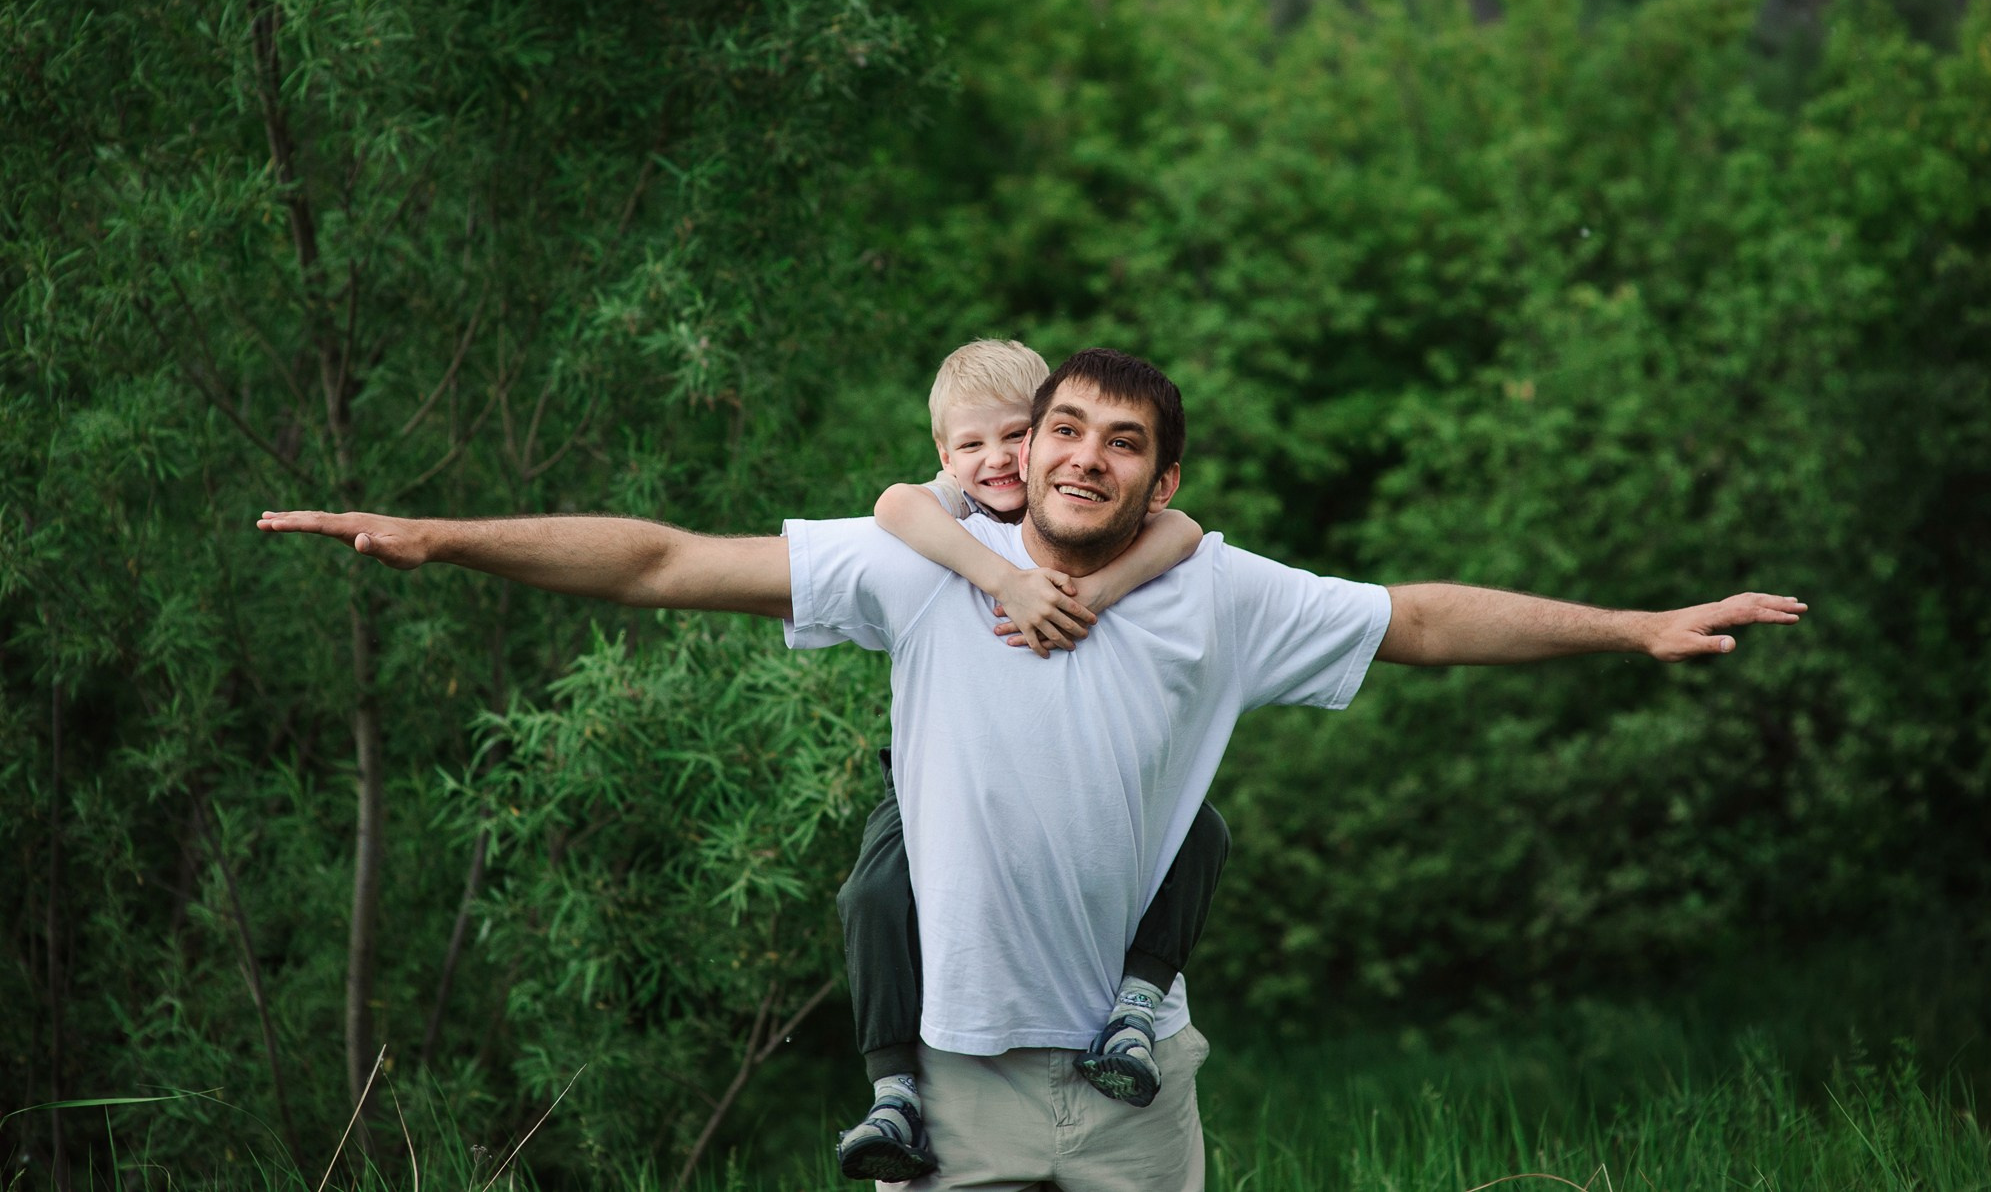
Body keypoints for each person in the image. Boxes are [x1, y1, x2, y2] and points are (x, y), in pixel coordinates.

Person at [257, 347, 1806, 1192]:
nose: (1080, 455)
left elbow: (1419, 618)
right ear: (1017, 446)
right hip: (956, 1094)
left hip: (1140, 1097)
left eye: (1121, 440)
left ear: (1162, 476)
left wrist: (1634, 624)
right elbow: (665, 557)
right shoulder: (925, 564)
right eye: (1063, 426)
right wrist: (439, 535)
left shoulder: (1221, 585)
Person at [841, 339, 1221, 1181]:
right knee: (871, 891)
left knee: (1200, 828)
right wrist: (1000, 580)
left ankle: (1136, 1001)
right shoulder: (958, 517)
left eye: (1016, 435)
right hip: (943, 783)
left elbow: (1187, 528)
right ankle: (893, 1085)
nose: (996, 459)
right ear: (947, 452)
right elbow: (893, 503)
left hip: (1079, 778)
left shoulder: (1086, 511)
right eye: (970, 444)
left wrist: (1105, 587)